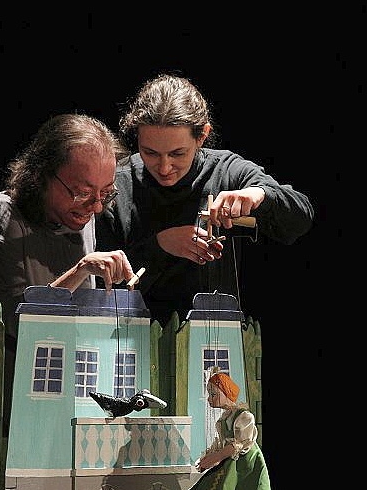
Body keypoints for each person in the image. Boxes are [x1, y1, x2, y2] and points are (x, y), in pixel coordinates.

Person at [0, 113, 137, 435]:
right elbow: (24, 325)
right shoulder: (5, 218)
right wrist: (82, 269)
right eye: (82, 192)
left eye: (106, 193)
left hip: (58, 402)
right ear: (42, 175)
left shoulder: (79, 217)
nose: (96, 207)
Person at [95, 73, 315, 326]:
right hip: (129, 333)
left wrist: (258, 194)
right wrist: (159, 246)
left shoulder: (225, 170)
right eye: (150, 153)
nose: (164, 167)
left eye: (178, 153)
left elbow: (300, 217)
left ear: (202, 136)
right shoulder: (118, 183)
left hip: (214, 333)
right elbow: (99, 283)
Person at [181, 370, 277, 490]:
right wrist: (207, 458)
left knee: (244, 486)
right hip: (231, 455)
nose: (209, 399)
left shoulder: (244, 416)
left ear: (225, 393)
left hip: (247, 458)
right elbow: (221, 443)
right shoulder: (224, 418)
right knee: (220, 481)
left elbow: (238, 444)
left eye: (213, 394)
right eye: (209, 394)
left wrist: (215, 458)